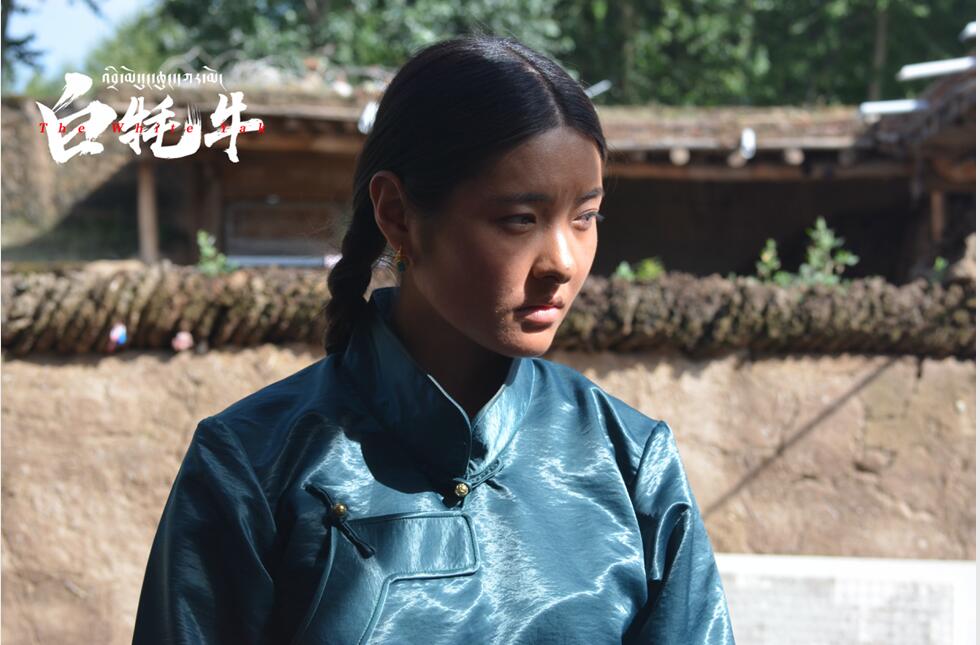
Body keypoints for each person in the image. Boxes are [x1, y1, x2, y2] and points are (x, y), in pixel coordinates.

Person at [132, 34, 735, 645]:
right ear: (397, 214)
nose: (562, 261)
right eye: (519, 219)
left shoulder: (630, 462)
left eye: (586, 217)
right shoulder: (254, 465)